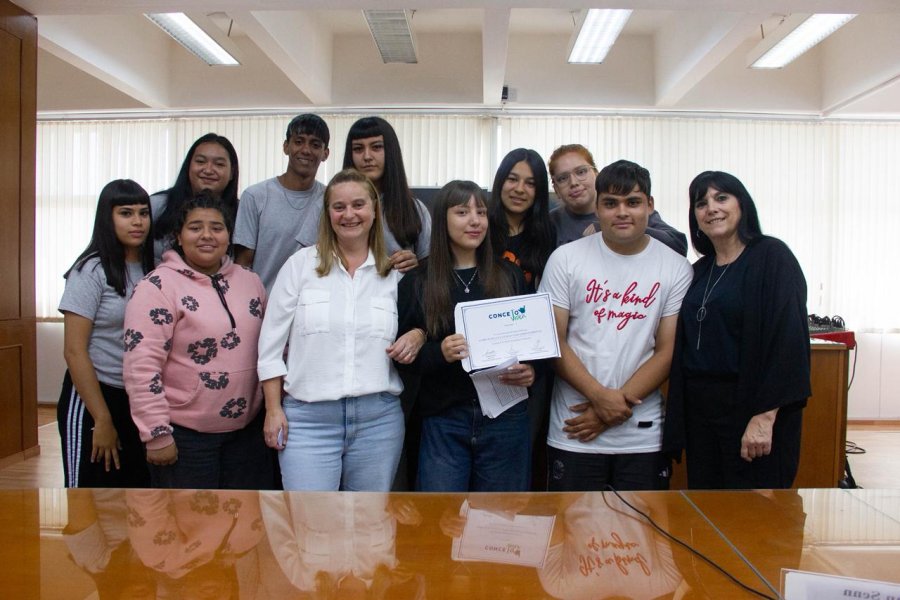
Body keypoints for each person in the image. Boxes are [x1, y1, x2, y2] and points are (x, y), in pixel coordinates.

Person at [258, 169, 421, 491]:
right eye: (339, 207)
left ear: (374, 211)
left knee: (368, 527)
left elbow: (420, 327)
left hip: (379, 421)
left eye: (358, 205)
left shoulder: (395, 274)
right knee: (311, 528)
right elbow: (270, 347)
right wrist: (273, 409)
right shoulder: (300, 266)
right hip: (308, 421)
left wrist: (419, 334)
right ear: (327, 213)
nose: (349, 215)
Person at [539, 160, 692, 491]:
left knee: (642, 541)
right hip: (573, 431)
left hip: (643, 435)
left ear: (650, 206)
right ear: (597, 208)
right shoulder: (565, 259)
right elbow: (552, 339)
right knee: (572, 539)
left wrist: (611, 406)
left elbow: (667, 351)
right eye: (610, 203)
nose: (622, 212)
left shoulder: (677, 268)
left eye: (633, 202)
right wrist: (599, 397)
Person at [663, 171, 811, 489]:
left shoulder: (772, 257)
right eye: (701, 203)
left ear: (741, 204)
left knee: (756, 517)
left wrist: (764, 417)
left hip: (749, 408)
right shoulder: (699, 271)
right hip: (700, 414)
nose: (711, 209)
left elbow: (788, 342)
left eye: (721, 198)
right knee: (707, 513)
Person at [124, 193, 271, 489]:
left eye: (217, 228)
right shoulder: (158, 286)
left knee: (244, 527)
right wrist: (156, 434)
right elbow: (141, 366)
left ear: (229, 236)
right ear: (178, 236)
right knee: (193, 529)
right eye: (195, 227)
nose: (207, 235)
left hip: (247, 435)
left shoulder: (250, 281)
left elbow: (272, 346)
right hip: (185, 436)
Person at [397, 180, 535, 492]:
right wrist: (439, 353)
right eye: (462, 212)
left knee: (500, 523)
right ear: (442, 219)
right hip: (444, 418)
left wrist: (530, 371)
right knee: (442, 523)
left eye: (481, 212)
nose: (475, 221)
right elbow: (402, 361)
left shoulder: (508, 274)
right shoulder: (418, 280)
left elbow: (529, 343)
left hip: (506, 415)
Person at [58, 179, 154, 488]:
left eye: (143, 213)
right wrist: (101, 418)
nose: (137, 222)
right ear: (107, 217)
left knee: (133, 500)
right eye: (126, 213)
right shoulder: (91, 270)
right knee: (88, 500)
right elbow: (74, 350)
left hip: (136, 397)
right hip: (93, 396)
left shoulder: (155, 269)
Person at [234, 114, 331, 292]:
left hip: (311, 311)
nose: (306, 150)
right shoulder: (255, 196)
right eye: (299, 141)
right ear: (286, 147)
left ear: (325, 153)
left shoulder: (331, 200)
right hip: (263, 308)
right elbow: (242, 265)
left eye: (315, 144)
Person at [548, 148, 689, 255]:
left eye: (581, 172)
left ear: (596, 174)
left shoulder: (631, 209)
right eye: (562, 178)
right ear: (556, 188)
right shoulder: (550, 222)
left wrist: (619, 228)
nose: (573, 182)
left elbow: (678, 245)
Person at [342, 116, 431, 273]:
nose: (367, 156)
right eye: (358, 149)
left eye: (376, 147)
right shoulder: (334, 208)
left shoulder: (414, 209)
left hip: (400, 294)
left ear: (390, 151)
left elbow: (431, 268)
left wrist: (416, 264)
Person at [151, 133, 239, 264]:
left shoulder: (243, 212)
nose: (208, 170)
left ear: (232, 173)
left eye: (219, 164)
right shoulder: (156, 205)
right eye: (200, 161)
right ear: (188, 166)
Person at [488, 148, 556, 291]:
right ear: (500, 181)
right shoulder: (481, 227)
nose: (519, 189)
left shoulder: (547, 232)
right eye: (512, 179)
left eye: (530, 183)